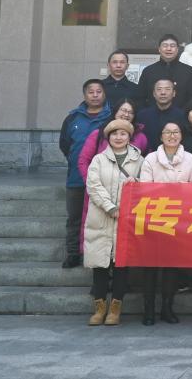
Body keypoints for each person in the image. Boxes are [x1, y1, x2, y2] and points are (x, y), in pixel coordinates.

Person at [138, 122, 192, 325]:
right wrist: (175, 189)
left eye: (176, 132)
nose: (172, 136)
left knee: (171, 266)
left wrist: (173, 189)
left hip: (179, 219)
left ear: (181, 135)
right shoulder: (150, 158)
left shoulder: (190, 158)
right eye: (168, 132)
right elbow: (145, 188)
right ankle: (148, 310)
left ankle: (167, 308)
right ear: (161, 136)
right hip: (154, 218)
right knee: (150, 267)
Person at [83, 119, 142, 326]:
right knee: (100, 266)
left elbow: (146, 185)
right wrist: (110, 207)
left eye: (123, 134)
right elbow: (93, 185)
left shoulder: (139, 160)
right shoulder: (98, 160)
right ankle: (99, 309)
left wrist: (137, 184)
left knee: (120, 267)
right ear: (108, 138)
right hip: (102, 218)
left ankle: (115, 309)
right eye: (114, 134)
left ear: (129, 137)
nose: (118, 137)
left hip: (126, 221)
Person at [77, 99, 148, 253]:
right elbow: (83, 160)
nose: (126, 114)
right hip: (100, 191)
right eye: (123, 110)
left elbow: (144, 168)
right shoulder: (98, 134)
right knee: (98, 232)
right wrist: (92, 182)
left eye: (130, 112)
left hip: (126, 196)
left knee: (123, 236)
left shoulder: (141, 138)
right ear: (115, 111)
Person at [59, 79, 111, 269]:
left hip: (104, 180)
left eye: (99, 91)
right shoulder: (72, 118)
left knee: (100, 219)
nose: (95, 95)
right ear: (84, 95)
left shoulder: (111, 118)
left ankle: (98, 256)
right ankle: (73, 254)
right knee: (74, 218)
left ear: (104, 94)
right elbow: (65, 144)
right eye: (91, 92)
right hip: (76, 178)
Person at [136, 34, 192, 109]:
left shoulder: (188, 71)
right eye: (165, 46)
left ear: (177, 49)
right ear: (159, 49)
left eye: (172, 46)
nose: (169, 49)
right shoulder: (148, 71)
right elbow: (140, 98)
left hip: (181, 115)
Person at [135, 79, 187, 152]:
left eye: (167, 89)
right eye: (159, 89)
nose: (163, 92)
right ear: (154, 93)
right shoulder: (142, 115)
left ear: (174, 93)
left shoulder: (182, 116)